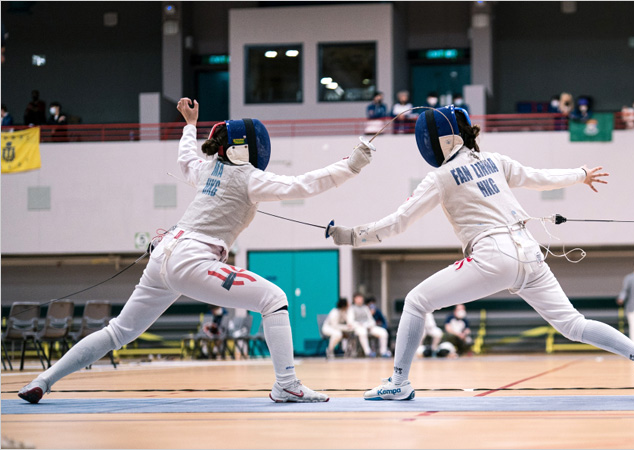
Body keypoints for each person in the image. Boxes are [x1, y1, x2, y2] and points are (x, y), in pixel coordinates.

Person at [18, 97, 375, 404]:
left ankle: (42, 381)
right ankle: (286, 385)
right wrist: (352, 165)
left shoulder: (208, 169)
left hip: (163, 256)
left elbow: (186, 158)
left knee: (118, 332)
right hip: (192, 258)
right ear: (245, 147)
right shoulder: (249, 177)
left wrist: (189, 125)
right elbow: (304, 184)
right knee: (275, 299)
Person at [327, 104, 634, 401]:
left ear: (436, 141)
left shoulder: (442, 176)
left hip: (494, 256)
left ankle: (398, 382)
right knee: (573, 324)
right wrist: (580, 174)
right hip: (530, 253)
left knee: (417, 302)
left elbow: (398, 223)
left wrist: (350, 235)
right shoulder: (493, 160)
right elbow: (538, 177)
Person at [351, 293, 390, 358]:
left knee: (383, 332)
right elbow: (351, 321)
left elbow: (371, 320)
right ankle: (368, 352)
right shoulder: (351, 308)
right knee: (362, 332)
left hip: (368, 326)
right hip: (358, 327)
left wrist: (370, 325)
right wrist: (360, 325)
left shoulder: (365, 308)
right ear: (354, 299)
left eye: (361, 297)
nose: (360, 299)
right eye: (358, 298)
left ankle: (383, 352)